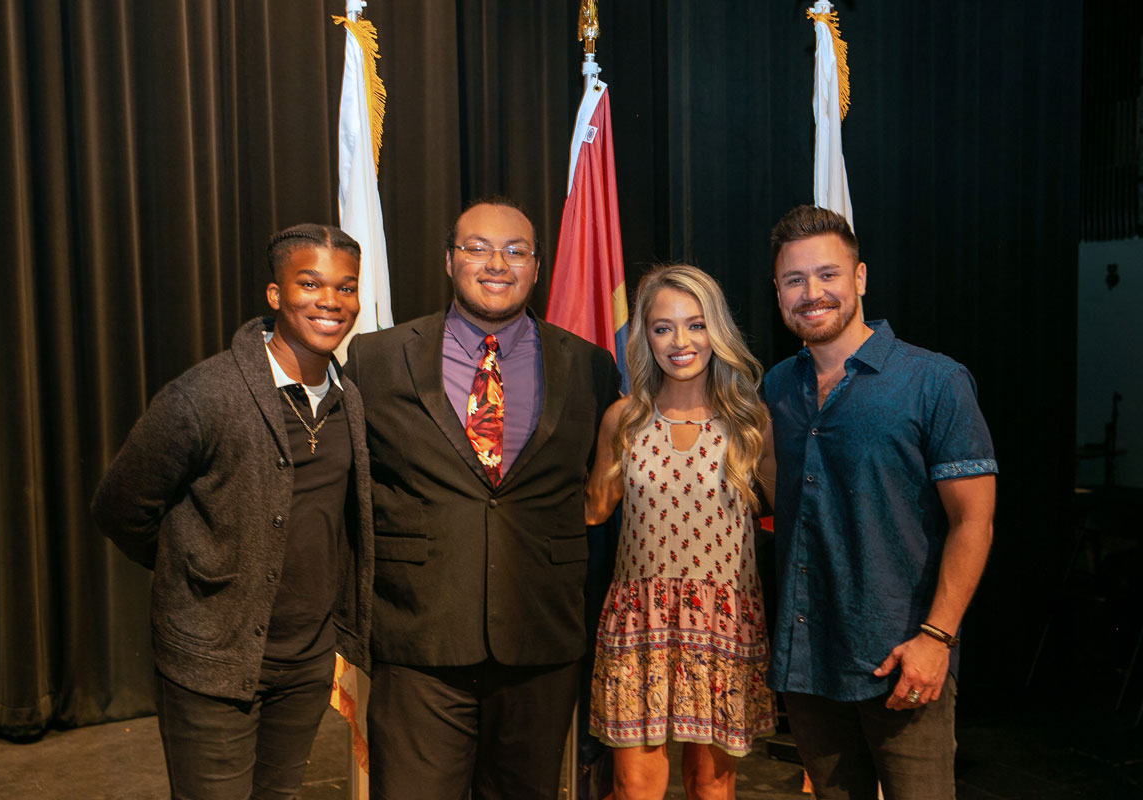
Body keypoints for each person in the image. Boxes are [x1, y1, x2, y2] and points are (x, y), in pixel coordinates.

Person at [343, 197, 621, 800]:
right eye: (477, 248)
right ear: (449, 260)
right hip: (420, 636)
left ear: (537, 266)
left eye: (516, 250)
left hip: (540, 640)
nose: (497, 263)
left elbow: (605, 492)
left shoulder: (591, 367)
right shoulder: (376, 360)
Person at [91, 224, 374, 799]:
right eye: (310, 283)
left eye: (346, 288)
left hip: (308, 663)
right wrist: (199, 573)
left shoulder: (352, 400)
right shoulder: (203, 396)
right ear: (275, 295)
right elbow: (120, 507)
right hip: (212, 663)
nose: (330, 302)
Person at [763, 205, 997, 799]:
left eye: (827, 275)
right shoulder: (775, 388)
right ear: (777, 291)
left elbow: (974, 521)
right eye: (795, 280)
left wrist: (937, 638)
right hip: (808, 664)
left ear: (860, 278)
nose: (812, 293)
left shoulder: (934, 381)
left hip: (900, 662)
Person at [584, 264, 777, 800]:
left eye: (695, 324)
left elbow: (792, 512)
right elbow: (593, 513)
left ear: (716, 330)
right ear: (644, 336)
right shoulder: (622, 421)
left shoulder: (750, 421)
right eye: (663, 327)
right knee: (633, 788)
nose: (680, 341)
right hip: (638, 624)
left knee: (710, 787)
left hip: (722, 627)